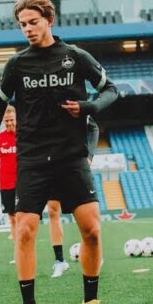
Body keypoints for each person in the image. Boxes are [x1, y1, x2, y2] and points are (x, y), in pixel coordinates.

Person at [0, 0, 119, 304]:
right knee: (25, 229)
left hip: (71, 156)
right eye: (22, 24)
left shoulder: (75, 56)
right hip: (32, 158)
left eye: (33, 22)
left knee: (92, 230)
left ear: (49, 20)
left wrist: (88, 108)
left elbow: (111, 90)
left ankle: (91, 302)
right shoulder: (16, 64)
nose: (27, 29)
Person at [47, 115, 100, 275]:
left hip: (75, 165)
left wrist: (89, 156)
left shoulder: (71, 99)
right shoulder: (39, 104)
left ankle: (93, 253)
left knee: (86, 215)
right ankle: (60, 261)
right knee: (52, 210)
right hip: (50, 164)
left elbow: (93, 127)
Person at [0, 106, 19, 246]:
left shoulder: (25, 136)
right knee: (12, 217)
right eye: (6, 121)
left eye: (11, 120)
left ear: (16, 119)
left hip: (24, 183)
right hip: (6, 184)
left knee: (23, 216)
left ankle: (24, 244)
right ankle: (17, 249)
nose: (9, 123)